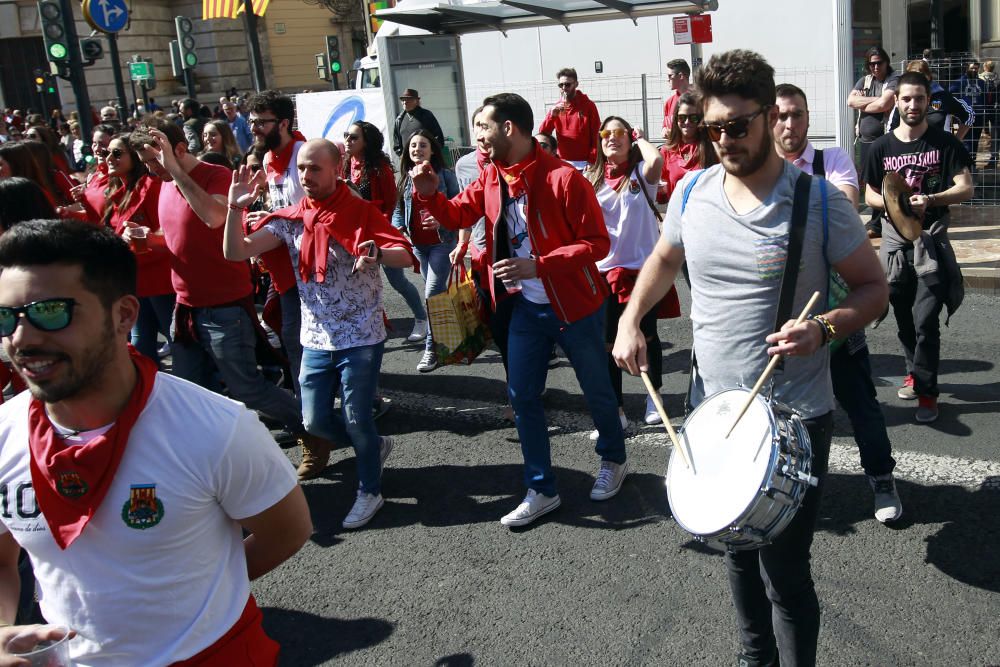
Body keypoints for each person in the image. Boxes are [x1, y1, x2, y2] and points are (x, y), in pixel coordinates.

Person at [613, 50, 888, 666]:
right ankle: (753, 659)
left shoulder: (818, 202)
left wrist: (824, 326)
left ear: (768, 117)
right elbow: (662, 260)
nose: (725, 140)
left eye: (739, 126)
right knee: (734, 552)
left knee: (786, 575)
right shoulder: (691, 191)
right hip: (711, 409)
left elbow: (874, 289)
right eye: (712, 129)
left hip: (792, 416)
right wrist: (631, 320)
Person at [0, 219, 311, 664]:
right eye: (5, 317)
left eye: (53, 312)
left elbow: (288, 531)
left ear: (124, 314)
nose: (22, 338)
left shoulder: (215, 428)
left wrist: (198, 594)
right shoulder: (3, 435)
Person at [411, 92, 629, 527]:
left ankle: (614, 458)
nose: (478, 143)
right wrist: (429, 195)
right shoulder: (492, 176)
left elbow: (599, 244)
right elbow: (457, 214)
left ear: (509, 128)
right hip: (524, 307)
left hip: (577, 307)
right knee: (521, 396)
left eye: (483, 131)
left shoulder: (564, 179)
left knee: (597, 391)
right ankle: (541, 487)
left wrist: (540, 265)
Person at [223, 139, 415, 528]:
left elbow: (404, 253)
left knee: (357, 417)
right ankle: (373, 448)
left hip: (361, 335)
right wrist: (233, 208)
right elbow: (236, 252)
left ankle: (370, 491)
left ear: (337, 169)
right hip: (314, 338)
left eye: (315, 168)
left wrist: (377, 252)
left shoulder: (360, 212)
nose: (306, 176)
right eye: (302, 169)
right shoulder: (291, 217)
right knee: (314, 423)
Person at [129, 122, 327, 473]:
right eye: (145, 163)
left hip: (223, 309)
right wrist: (149, 237)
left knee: (248, 389)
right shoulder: (163, 185)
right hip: (185, 306)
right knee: (191, 393)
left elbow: (213, 218)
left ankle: (314, 431)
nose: (151, 169)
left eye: (154, 161)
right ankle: (217, 466)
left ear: (178, 150)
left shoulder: (215, 175)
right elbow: (177, 236)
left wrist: (176, 174)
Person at [773, 82, 902, 522]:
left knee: (860, 399)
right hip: (783, 315)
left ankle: (882, 479)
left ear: (809, 119)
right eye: (781, 115)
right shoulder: (762, 172)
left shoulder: (834, 161)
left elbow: (842, 210)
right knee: (781, 411)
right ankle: (782, 492)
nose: (790, 124)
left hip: (836, 308)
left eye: (797, 114)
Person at [862, 71, 973, 424]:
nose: (913, 105)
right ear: (897, 101)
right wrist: (894, 204)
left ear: (929, 101)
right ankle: (913, 370)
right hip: (895, 246)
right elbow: (868, 194)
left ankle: (927, 392)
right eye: (906, 98)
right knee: (905, 317)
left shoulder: (946, 144)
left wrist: (934, 197)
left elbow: (966, 187)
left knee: (927, 320)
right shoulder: (880, 147)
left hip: (931, 243)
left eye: (919, 99)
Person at [585, 116, 671, 431]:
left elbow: (657, 158)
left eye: (619, 132)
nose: (613, 138)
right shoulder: (590, 179)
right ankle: (616, 411)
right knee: (608, 345)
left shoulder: (642, 173)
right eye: (606, 133)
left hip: (642, 272)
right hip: (604, 274)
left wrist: (639, 138)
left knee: (646, 338)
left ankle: (654, 399)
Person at [245, 90, 308, 398]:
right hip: (286, 268)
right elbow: (283, 205)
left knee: (303, 338)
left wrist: (274, 216)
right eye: (251, 121)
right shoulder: (269, 158)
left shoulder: (304, 154)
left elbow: (318, 208)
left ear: (283, 123)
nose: (254, 128)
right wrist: (268, 214)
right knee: (293, 337)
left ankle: (317, 415)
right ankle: (309, 414)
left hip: (315, 266)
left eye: (261, 122)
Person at [342, 121, 428, 343]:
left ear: (366, 141)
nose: (347, 141)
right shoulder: (345, 164)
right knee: (360, 282)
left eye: (353, 137)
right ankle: (371, 324)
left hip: (379, 232)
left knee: (397, 280)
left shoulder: (379, 167)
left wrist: (386, 230)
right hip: (354, 233)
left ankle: (421, 318)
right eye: (346, 136)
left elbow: (392, 203)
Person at [101, 134, 174, 367]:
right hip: (134, 282)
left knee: (179, 344)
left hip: (160, 281)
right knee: (139, 344)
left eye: (117, 153)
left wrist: (142, 238)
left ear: (134, 157)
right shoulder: (118, 191)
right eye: (106, 153)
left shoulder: (151, 186)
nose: (109, 158)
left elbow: (167, 234)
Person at [393, 130, 460, 373]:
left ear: (432, 150)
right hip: (418, 245)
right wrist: (397, 228)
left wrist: (443, 221)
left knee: (431, 293)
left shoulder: (446, 176)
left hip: (442, 243)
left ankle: (431, 350)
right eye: (413, 146)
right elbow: (398, 209)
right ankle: (451, 335)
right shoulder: (404, 177)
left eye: (423, 145)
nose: (417, 149)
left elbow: (459, 208)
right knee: (437, 294)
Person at [848, 46, 900, 237]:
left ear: (886, 62)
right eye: (871, 64)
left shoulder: (894, 80)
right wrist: (876, 101)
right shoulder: (865, 80)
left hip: (885, 140)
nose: (875, 67)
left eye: (879, 63)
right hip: (865, 140)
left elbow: (884, 104)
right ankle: (877, 221)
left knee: (883, 180)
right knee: (870, 182)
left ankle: (878, 224)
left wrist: (867, 101)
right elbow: (850, 101)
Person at [888, 60, 972, 141]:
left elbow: (968, 115)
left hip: (939, 151)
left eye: (922, 75)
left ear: (928, 75)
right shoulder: (902, 101)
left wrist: (956, 141)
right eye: (914, 76)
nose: (918, 80)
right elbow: (892, 129)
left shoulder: (943, 96)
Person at [658, 90, 717, 204]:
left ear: (700, 119)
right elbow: (662, 196)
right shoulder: (667, 151)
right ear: (676, 119)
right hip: (678, 216)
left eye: (693, 118)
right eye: (682, 117)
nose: (687, 122)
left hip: (706, 215)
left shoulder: (712, 147)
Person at [538, 68, 602, 169]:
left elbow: (596, 136)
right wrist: (552, 116)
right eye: (561, 85)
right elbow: (543, 134)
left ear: (576, 84)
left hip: (585, 163)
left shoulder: (588, 106)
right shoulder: (557, 107)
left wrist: (592, 160)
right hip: (563, 162)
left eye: (567, 84)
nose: (564, 88)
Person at [950, 61, 986, 166]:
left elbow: (984, 98)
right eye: (972, 68)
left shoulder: (981, 83)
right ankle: (964, 165)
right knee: (965, 141)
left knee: (975, 142)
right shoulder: (958, 82)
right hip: (964, 117)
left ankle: (972, 163)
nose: (974, 70)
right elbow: (951, 96)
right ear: (966, 69)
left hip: (979, 116)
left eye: (976, 68)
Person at [392, 88, 445, 158]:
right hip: (408, 162)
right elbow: (397, 143)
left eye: (408, 99)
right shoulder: (399, 119)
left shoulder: (426, 115)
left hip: (426, 159)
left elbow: (438, 138)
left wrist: (430, 154)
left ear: (416, 101)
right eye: (403, 100)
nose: (405, 102)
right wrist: (402, 155)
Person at [661, 58, 692, 137]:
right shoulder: (669, 102)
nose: (668, 80)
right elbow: (665, 127)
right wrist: (664, 130)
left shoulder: (698, 99)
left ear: (681, 76)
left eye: (670, 76)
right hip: (674, 148)